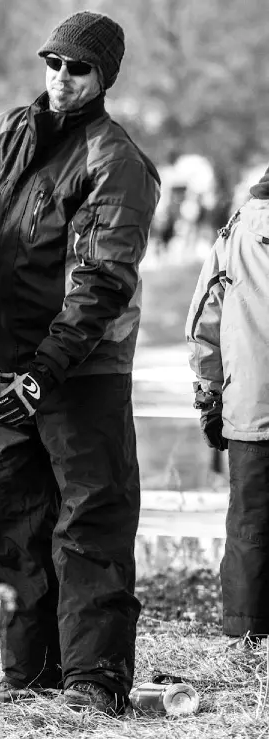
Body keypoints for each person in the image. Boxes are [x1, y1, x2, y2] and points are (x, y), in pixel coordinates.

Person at [0, 11, 160, 713]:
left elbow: (102, 279)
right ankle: (28, 675)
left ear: (103, 76)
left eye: (78, 67)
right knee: (12, 520)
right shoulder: (13, 130)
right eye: (54, 62)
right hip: (5, 365)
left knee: (90, 522)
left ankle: (94, 682)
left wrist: (48, 369)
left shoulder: (115, 159)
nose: (62, 77)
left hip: (79, 371)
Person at [186, 167, 269, 650]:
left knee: (250, 528)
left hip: (252, 411)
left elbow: (205, 320)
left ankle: (248, 639)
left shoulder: (238, 230)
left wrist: (210, 395)